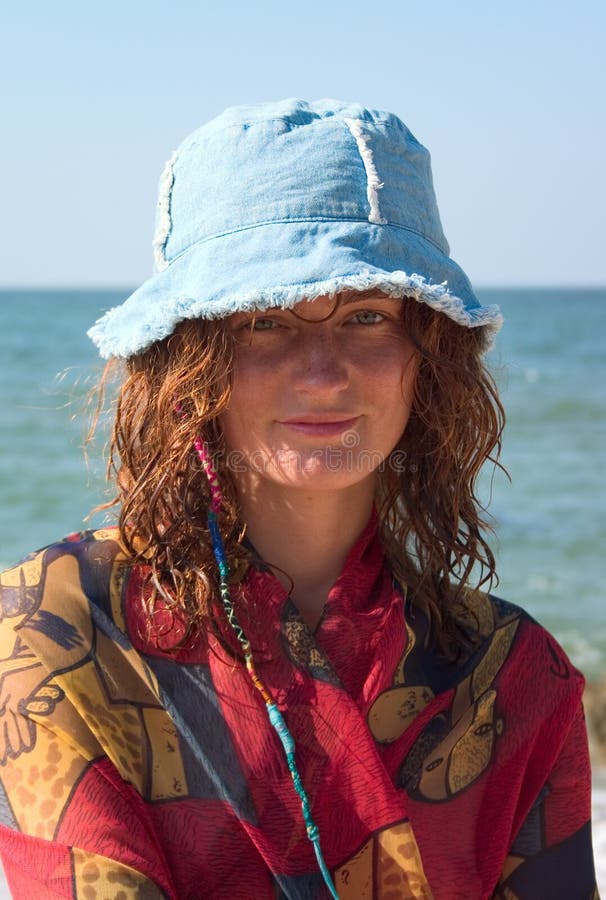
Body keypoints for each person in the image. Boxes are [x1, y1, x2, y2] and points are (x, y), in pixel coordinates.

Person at [0, 99, 598, 899]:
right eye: (264, 320)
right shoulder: (60, 634)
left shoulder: (517, 679)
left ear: (430, 360)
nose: (322, 371)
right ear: (186, 357)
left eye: (366, 315)